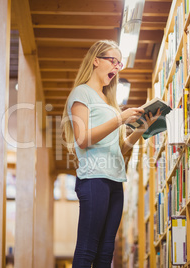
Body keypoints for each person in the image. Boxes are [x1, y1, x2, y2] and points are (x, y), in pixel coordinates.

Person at [61, 40, 160, 267]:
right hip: (94, 178)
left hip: (115, 181)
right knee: (87, 249)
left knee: (106, 253)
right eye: (112, 60)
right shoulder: (82, 93)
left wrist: (142, 128)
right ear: (96, 60)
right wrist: (121, 119)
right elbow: (82, 139)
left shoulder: (110, 102)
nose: (116, 67)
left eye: (119, 63)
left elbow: (121, 148)